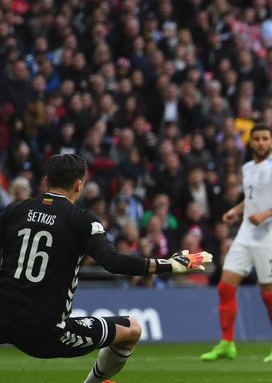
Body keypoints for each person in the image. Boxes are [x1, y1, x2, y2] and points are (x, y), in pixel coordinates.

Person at [0, 154, 211, 383]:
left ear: (45, 180)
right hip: (46, 332)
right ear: (79, 185)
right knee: (132, 329)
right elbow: (113, 262)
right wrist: (169, 264)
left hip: (5, 320)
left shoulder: (15, 211)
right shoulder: (80, 220)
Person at [200, 123, 272, 363]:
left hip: (270, 237)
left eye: (266, 138)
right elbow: (253, 199)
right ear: (251, 142)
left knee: (268, 294)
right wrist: (236, 210)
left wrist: (266, 214)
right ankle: (227, 344)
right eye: (257, 139)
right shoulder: (248, 168)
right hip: (246, 234)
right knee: (225, 288)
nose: (261, 143)